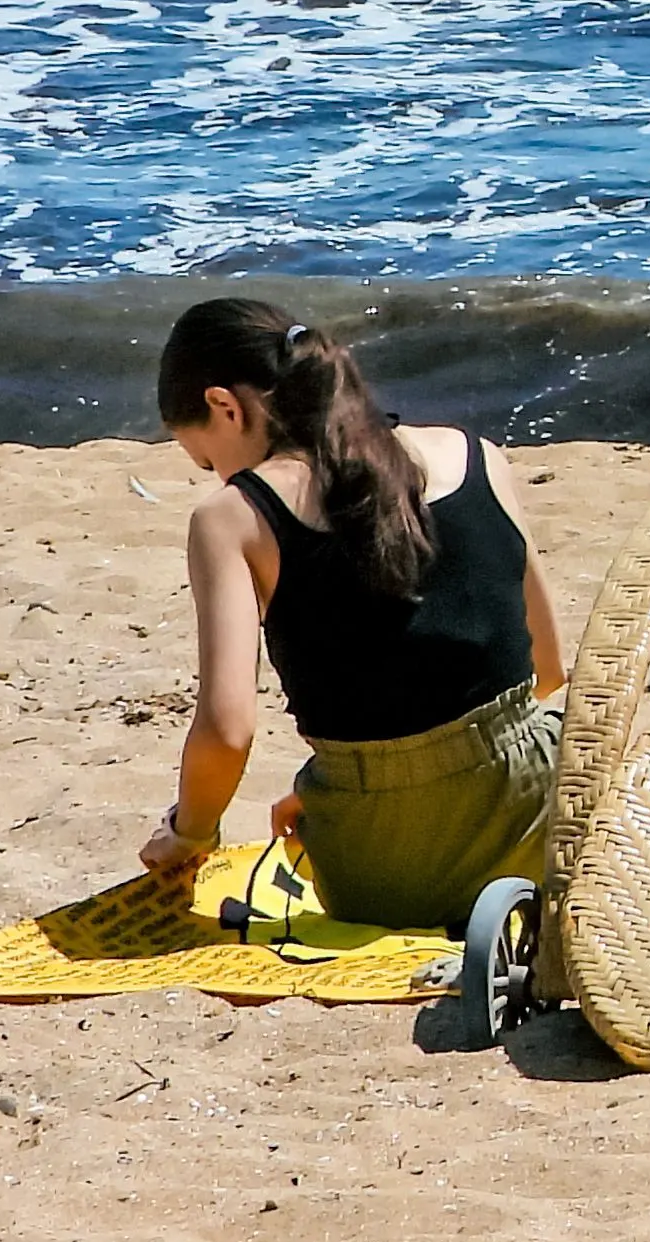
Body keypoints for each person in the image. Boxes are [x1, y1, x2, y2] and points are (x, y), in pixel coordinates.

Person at [143, 299, 567, 932]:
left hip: (376, 878)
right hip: (536, 832)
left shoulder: (231, 518)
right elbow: (549, 669)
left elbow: (228, 730)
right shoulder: (474, 455)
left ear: (226, 407)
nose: (217, 477)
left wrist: (189, 834)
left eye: (207, 459)